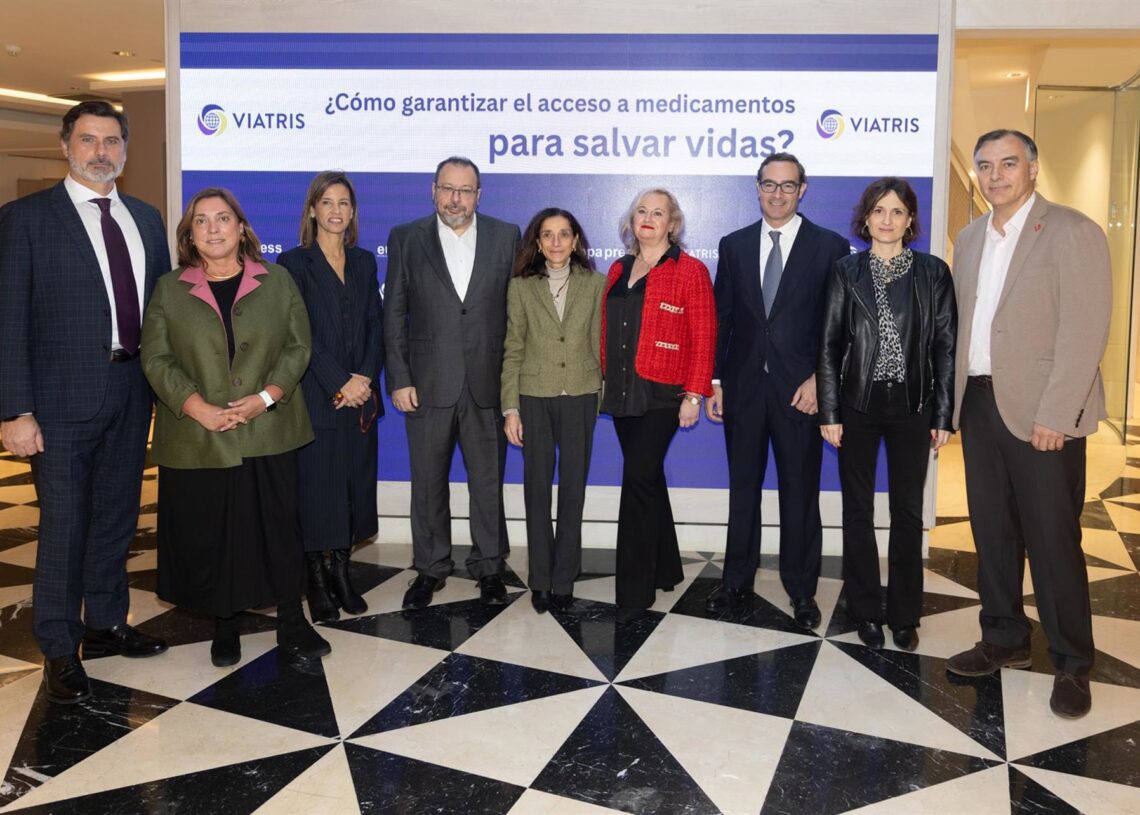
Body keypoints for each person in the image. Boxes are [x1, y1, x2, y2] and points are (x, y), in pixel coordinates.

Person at [0, 101, 169, 705]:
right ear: (65, 146)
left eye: (112, 141)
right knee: (65, 526)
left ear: (125, 148)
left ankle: (106, 622)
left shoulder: (146, 218)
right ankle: (57, 647)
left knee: (118, 517)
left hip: (132, 391)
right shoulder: (25, 219)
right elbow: (8, 319)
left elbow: (162, 312)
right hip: (57, 403)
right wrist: (14, 410)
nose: (102, 151)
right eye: (89, 140)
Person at [946, 130, 1111, 719]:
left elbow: (1085, 329)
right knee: (992, 532)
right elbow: (963, 327)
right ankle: (1004, 639)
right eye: (986, 165)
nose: (995, 175)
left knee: (1052, 538)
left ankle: (1072, 663)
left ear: (1033, 168)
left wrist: (1056, 413)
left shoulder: (1071, 230)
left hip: (1044, 412)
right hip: (981, 404)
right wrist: (950, 407)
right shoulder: (969, 238)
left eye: (1008, 163)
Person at [141, 187, 328, 668]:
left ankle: (292, 621)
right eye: (201, 221)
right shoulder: (169, 289)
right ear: (189, 235)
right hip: (199, 433)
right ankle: (225, 623)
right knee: (214, 531)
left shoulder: (278, 279)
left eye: (223, 218)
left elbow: (298, 347)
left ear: (242, 227)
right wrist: (196, 407)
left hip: (270, 428)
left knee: (278, 529)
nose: (213, 229)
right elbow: (156, 358)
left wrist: (266, 397)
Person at [704, 153, 850, 628]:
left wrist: (820, 381)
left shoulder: (830, 246)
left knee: (800, 493)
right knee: (743, 490)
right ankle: (736, 583)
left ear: (802, 190)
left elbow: (838, 325)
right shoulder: (734, 244)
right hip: (744, 390)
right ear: (758, 187)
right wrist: (717, 381)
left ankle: (802, 591)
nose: (778, 193)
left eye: (788, 185)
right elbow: (723, 318)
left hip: (801, 393)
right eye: (769, 184)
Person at [817, 177, 957, 651]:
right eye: (878, 210)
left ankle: (904, 614)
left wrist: (942, 414)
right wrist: (830, 409)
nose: (887, 220)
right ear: (866, 218)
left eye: (897, 211)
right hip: (857, 404)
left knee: (908, 512)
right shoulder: (845, 271)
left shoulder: (933, 273)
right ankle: (865, 611)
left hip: (914, 406)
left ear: (910, 219)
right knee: (857, 510)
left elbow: (945, 348)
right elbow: (828, 345)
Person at [384, 157, 521, 609]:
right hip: (426, 384)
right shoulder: (406, 238)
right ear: (433, 191)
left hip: (487, 382)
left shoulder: (506, 236)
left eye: (465, 190)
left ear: (479, 195)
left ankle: (489, 567)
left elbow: (516, 315)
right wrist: (399, 377)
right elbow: (394, 313)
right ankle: (430, 568)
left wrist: (512, 386)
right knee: (427, 483)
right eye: (447, 189)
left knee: (488, 483)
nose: (455, 199)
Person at [601, 189, 716, 610]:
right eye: (641, 211)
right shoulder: (618, 268)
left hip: (664, 393)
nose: (648, 218)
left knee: (636, 479)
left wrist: (694, 394)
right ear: (632, 221)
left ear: (672, 223)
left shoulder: (690, 270)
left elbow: (704, 336)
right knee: (647, 478)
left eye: (658, 212)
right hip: (622, 390)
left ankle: (634, 593)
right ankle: (666, 568)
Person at [278, 172, 384, 623]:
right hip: (318, 397)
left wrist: (364, 378)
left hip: (360, 400)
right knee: (318, 492)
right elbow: (299, 334)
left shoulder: (363, 262)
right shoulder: (293, 263)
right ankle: (317, 582)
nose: (336, 211)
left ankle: (342, 573)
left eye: (344, 203)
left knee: (352, 489)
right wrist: (339, 381)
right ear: (312, 210)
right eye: (327, 202)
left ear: (352, 211)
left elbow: (375, 325)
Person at [501, 208, 606, 614]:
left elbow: (600, 344)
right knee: (537, 490)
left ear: (576, 240)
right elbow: (513, 348)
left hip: (580, 394)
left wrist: (599, 394)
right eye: (548, 235)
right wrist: (511, 408)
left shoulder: (596, 284)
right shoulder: (521, 287)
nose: (557, 242)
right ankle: (541, 579)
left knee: (573, 490)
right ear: (538, 242)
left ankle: (564, 579)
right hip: (534, 395)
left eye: (564, 234)